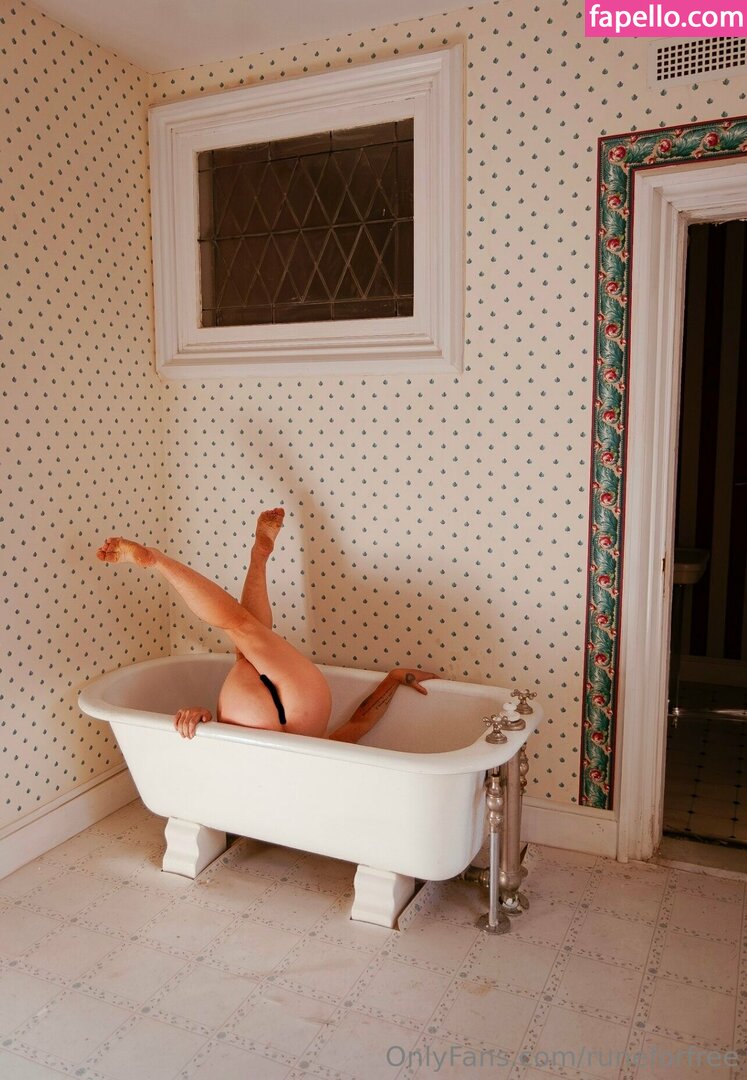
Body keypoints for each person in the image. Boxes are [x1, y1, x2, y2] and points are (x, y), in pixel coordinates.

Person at [96, 508, 437, 743]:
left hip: (304, 709)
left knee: (244, 633)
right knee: (243, 634)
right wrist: (203, 720)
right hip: (287, 719)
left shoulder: (322, 757)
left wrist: (201, 718)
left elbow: (360, 722)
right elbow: (361, 722)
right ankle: (250, 557)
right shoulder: (321, 762)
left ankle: (161, 560)